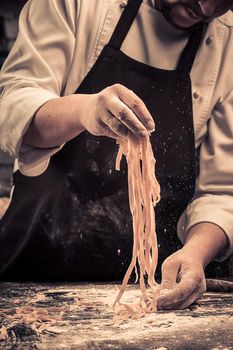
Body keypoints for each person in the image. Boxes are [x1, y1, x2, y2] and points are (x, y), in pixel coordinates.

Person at [0, 0, 233, 310]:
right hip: (35, 273)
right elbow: (13, 104)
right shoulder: (76, 3)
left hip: (151, 291)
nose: (204, 7)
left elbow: (222, 190)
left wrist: (196, 253)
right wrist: (84, 110)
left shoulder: (227, 42)